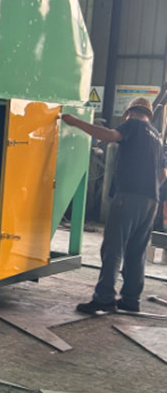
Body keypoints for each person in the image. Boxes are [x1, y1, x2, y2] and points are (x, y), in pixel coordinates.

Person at [61, 96, 166, 314]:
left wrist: (75, 122)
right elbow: (163, 173)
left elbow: (110, 136)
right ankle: (131, 300)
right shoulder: (156, 135)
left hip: (129, 197)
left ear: (129, 112)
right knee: (136, 251)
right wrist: (149, 187)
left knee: (113, 247)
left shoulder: (134, 124)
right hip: (151, 200)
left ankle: (104, 298)